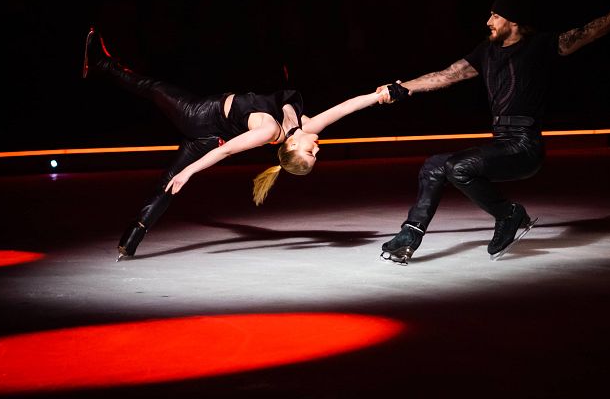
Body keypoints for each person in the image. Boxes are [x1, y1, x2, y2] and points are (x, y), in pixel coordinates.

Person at [376, 0, 610, 263]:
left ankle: (508, 214)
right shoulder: (486, 52)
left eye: (495, 15)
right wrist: (402, 88)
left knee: (457, 167)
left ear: (514, 21)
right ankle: (410, 234)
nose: (488, 22)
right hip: (501, 144)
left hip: (525, 146)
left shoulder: (540, 45)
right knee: (434, 166)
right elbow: (447, 75)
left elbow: (584, 34)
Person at [82, 27, 388, 261]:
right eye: (315, 153)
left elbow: (226, 150)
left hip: (199, 118)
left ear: (293, 147)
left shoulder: (268, 130)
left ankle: (102, 62)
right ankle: (132, 238)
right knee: (169, 184)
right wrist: (380, 95)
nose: (318, 146)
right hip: (211, 132)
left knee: (153, 89)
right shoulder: (305, 125)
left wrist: (191, 171)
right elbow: (347, 107)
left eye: (311, 152)